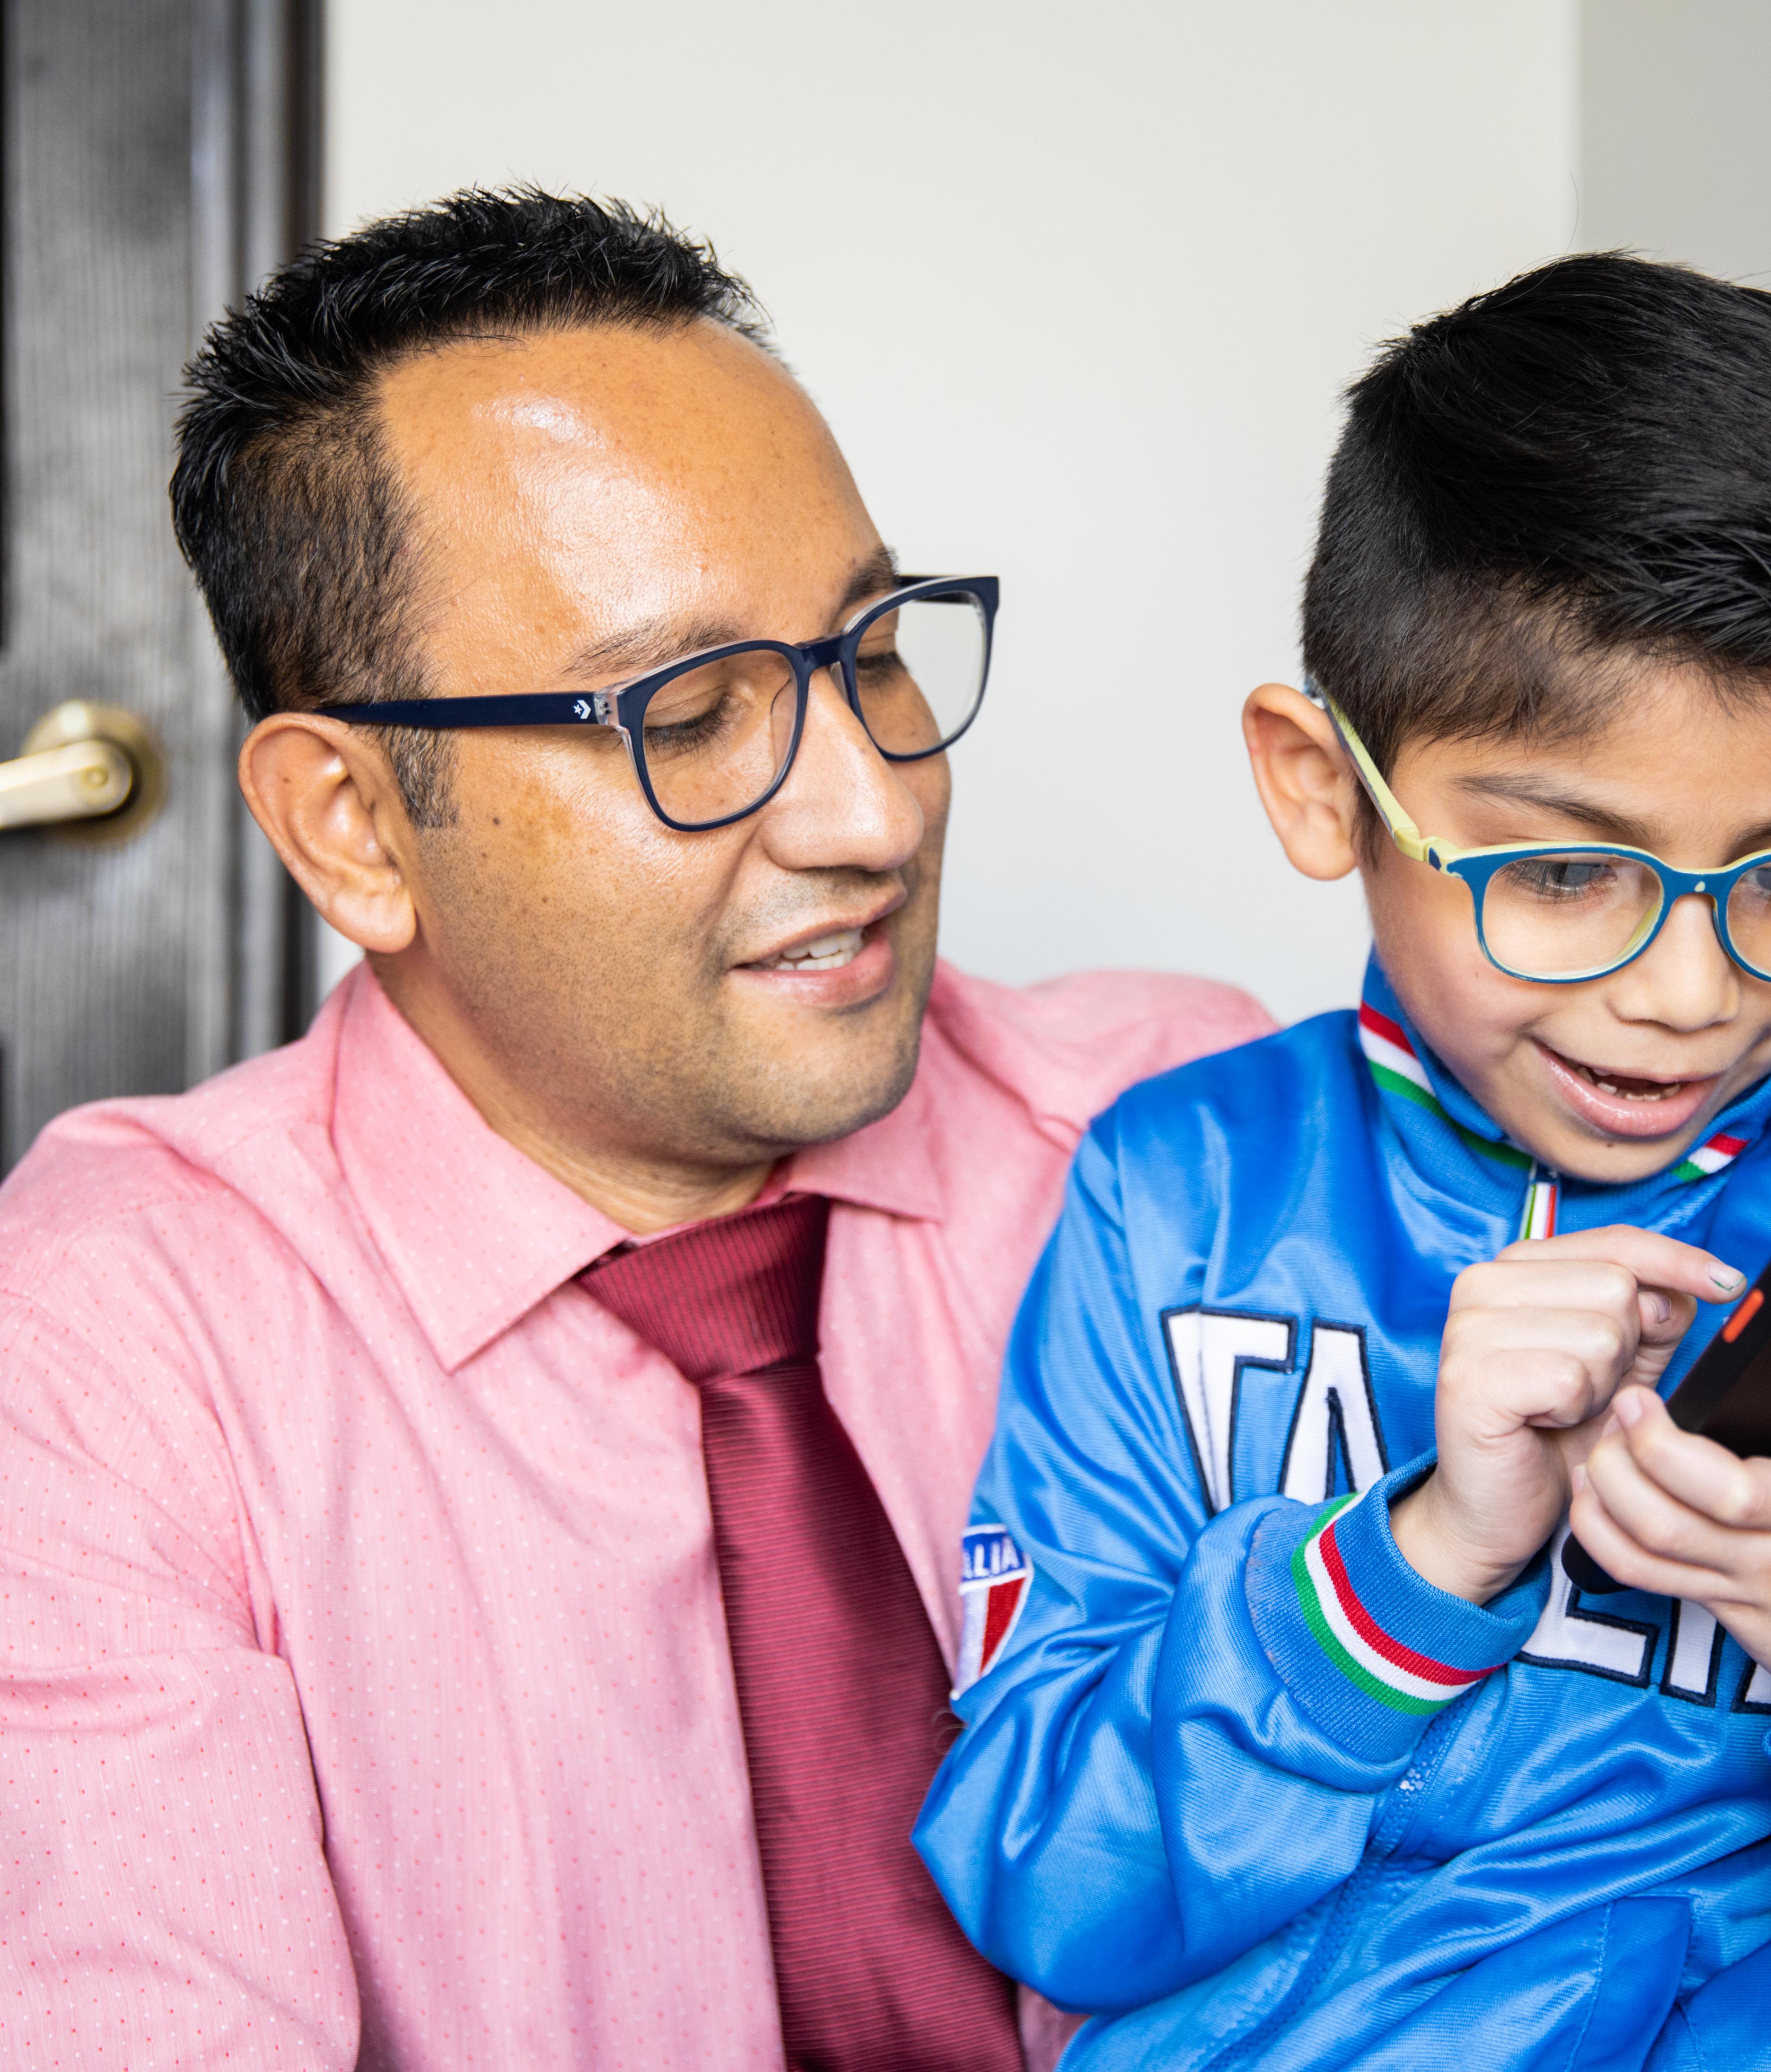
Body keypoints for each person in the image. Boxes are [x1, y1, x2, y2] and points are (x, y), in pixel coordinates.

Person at [0, 191, 1273, 2069]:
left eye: (876, 650)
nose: (870, 814)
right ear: (354, 826)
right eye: (688, 713)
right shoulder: (115, 1346)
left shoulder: (1189, 1141)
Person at [914, 255, 1771, 2067]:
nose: (1688, 998)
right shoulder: (1176, 1195)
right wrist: (1416, 1557)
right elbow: (1039, 1877)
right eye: (1563, 873)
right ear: (1322, 786)